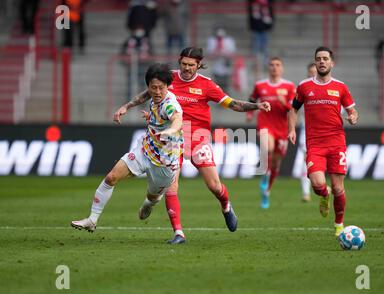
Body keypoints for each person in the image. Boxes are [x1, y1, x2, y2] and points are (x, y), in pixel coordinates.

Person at [114, 47, 271, 244]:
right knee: (172, 187)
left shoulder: (207, 85)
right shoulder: (168, 78)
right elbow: (146, 95)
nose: (187, 68)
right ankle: (179, 233)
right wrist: (126, 107)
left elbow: (233, 104)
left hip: (198, 138)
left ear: (199, 65)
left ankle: (226, 206)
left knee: (214, 186)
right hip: (172, 140)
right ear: (179, 62)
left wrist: (257, 106)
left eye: (191, 65)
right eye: (184, 64)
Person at [71, 63, 184, 243]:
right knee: (111, 177)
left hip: (164, 162)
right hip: (144, 150)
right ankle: (92, 219)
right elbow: (143, 97)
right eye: (153, 87)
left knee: (153, 196)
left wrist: (171, 131)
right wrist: (126, 107)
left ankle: (150, 202)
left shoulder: (170, 105)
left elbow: (177, 120)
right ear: (148, 86)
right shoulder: (154, 96)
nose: (157, 91)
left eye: (161, 88)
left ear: (168, 87)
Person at [288, 47, 359, 237]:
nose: (321, 61)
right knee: (318, 185)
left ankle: (339, 225)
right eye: (318, 58)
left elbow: (352, 110)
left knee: (338, 187)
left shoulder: (340, 87)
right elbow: (293, 109)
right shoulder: (304, 86)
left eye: (325, 58)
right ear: (315, 62)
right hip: (315, 144)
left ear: (331, 63)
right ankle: (324, 195)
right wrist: (292, 129)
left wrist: (353, 117)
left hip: (336, 142)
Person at [246, 57, 295, 209]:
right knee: (268, 148)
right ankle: (265, 176)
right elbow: (252, 99)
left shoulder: (289, 86)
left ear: (282, 68)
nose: (274, 67)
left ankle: (267, 190)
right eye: (272, 65)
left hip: (282, 127)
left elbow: (293, 110)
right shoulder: (260, 85)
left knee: (276, 163)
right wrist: (249, 113)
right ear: (269, 68)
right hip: (265, 124)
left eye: (278, 65)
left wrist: (283, 102)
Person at [297, 62, 317, 203]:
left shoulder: (331, 88)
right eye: (310, 72)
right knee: (307, 161)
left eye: (314, 72)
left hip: (327, 133)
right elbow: (293, 108)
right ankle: (306, 193)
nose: (312, 74)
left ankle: (323, 189)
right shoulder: (304, 88)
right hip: (308, 131)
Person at [206, 26, 237, 92]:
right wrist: (217, 52)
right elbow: (209, 56)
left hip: (226, 68)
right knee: (216, 88)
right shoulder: (211, 41)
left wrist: (224, 53)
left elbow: (232, 55)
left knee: (226, 88)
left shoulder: (229, 41)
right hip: (215, 68)